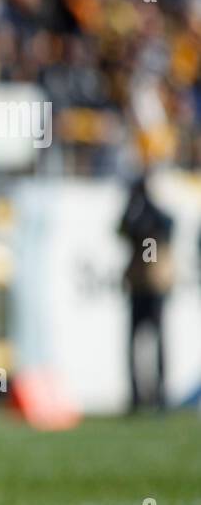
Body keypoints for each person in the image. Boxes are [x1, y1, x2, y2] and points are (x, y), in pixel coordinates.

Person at [118, 175, 174, 410]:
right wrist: (133, 206)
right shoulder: (136, 216)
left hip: (155, 286)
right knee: (133, 343)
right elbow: (121, 230)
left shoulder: (157, 217)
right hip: (139, 286)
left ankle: (160, 394)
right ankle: (136, 396)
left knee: (158, 341)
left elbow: (167, 226)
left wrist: (147, 202)